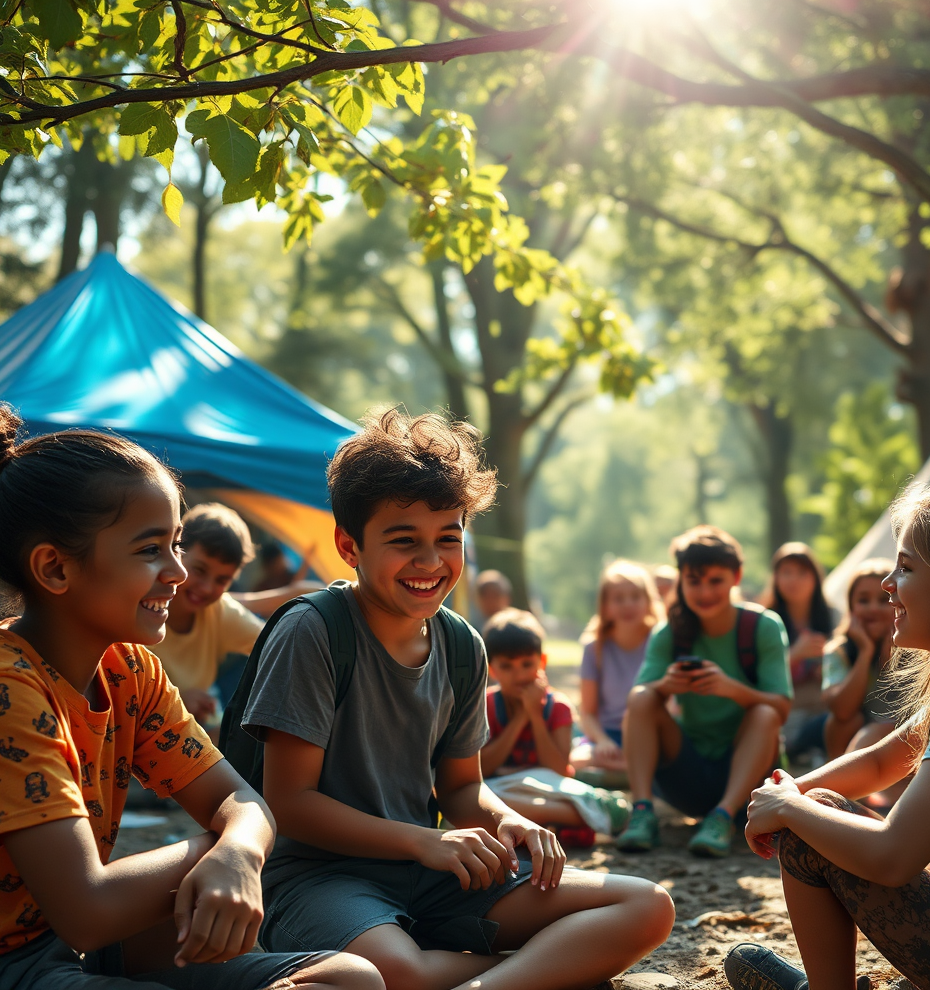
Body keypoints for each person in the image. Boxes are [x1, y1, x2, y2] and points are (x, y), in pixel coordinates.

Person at [240, 408, 674, 990]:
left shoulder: (463, 645)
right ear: (349, 545)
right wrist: (427, 842)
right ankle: (536, 975)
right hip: (319, 877)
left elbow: (462, 789)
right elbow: (290, 803)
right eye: (403, 541)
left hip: (436, 871)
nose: (430, 562)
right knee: (389, 972)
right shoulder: (314, 632)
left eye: (448, 538)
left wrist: (511, 821)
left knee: (646, 905)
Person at [0, 403, 382, 990]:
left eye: (176, 544)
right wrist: (214, 851)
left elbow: (245, 803)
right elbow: (88, 910)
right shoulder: (6, 685)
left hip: (77, 949)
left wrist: (238, 854)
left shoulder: (131, 672)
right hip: (17, 964)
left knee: (351, 978)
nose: (177, 573)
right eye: (151, 550)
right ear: (54, 568)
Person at [729, 477, 930, 990]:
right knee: (811, 805)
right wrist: (785, 791)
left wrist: (793, 810)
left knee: (808, 828)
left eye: (906, 568)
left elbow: (894, 856)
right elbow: (886, 759)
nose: (887, 583)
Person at [617, 525, 792, 857]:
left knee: (765, 711)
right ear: (680, 580)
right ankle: (642, 812)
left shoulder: (763, 627)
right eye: (694, 581)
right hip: (688, 775)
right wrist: (665, 686)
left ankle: (723, 817)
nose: (704, 592)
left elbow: (781, 708)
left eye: (715, 580)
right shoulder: (670, 633)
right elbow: (640, 694)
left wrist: (732, 689)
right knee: (641, 697)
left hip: (750, 784)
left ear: (736, 576)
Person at [157, 504, 320, 726]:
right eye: (200, 570)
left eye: (221, 580)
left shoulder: (219, 611)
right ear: (176, 553)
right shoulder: (144, 602)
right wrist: (174, 704)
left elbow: (276, 645)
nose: (206, 588)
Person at [480, 608, 630, 843]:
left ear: (542, 662)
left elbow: (560, 770)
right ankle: (585, 816)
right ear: (491, 669)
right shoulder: (486, 705)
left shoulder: (558, 707)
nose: (518, 675)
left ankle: (590, 811)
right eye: (507, 666)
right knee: (482, 800)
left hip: (549, 789)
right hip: (502, 790)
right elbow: (482, 768)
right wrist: (520, 718)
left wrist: (535, 717)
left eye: (527, 664)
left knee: (507, 806)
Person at [572, 560, 664, 774]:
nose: (627, 604)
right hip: (609, 738)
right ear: (605, 605)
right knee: (576, 761)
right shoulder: (594, 648)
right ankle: (634, 770)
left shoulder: (660, 641)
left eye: (635, 597)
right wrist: (603, 741)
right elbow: (588, 713)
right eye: (618, 598)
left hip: (649, 735)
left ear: (648, 601)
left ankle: (633, 769)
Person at [759, 542, 834, 760]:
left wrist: (829, 663)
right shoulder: (765, 621)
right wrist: (795, 654)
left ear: (815, 577)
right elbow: (759, 676)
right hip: (785, 711)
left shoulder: (832, 617)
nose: (794, 580)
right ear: (775, 578)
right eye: (786, 573)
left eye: (802, 573)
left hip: (824, 706)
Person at [822, 559, 897, 759]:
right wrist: (865, 653)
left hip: (896, 730)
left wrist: (890, 653)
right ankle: (839, 779)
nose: (873, 608)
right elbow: (842, 711)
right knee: (840, 722)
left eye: (883, 600)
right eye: (864, 600)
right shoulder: (838, 650)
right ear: (851, 607)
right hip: (857, 728)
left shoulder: (918, 647)